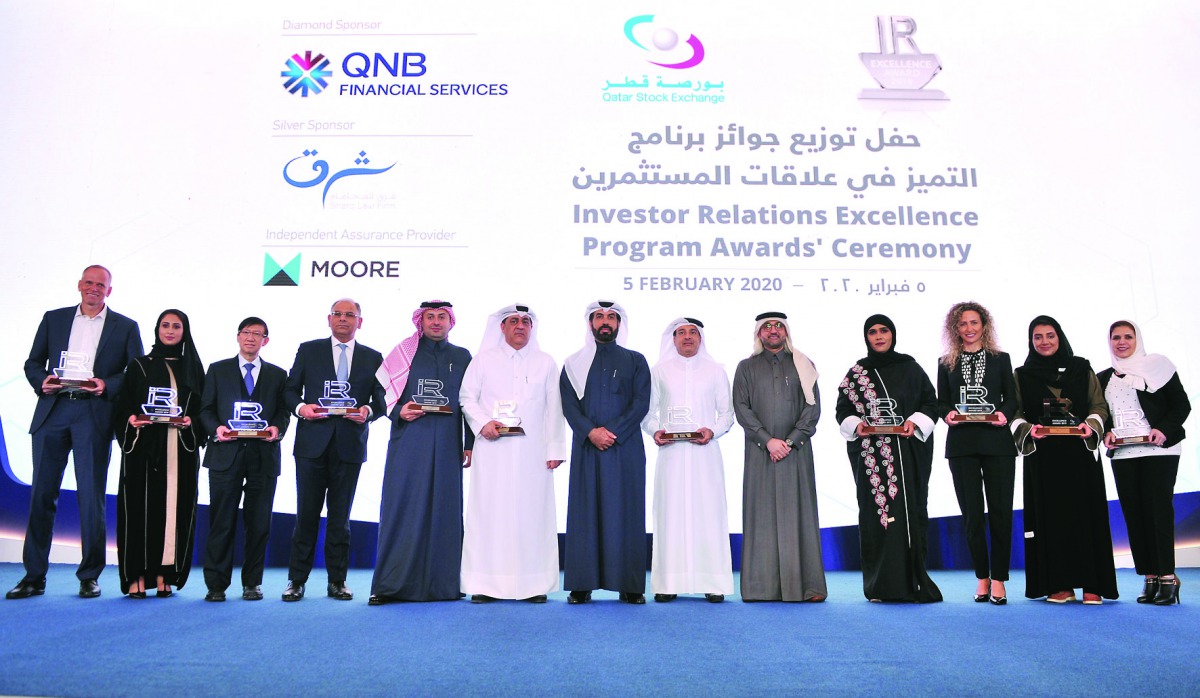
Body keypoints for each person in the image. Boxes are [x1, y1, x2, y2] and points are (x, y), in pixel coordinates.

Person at [8, 265, 143, 600]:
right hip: (54, 410)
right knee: (41, 495)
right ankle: (34, 576)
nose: (94, 289)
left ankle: (89, 575)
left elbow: (136, 371)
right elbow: (32, 363)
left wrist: (106, 384)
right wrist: (43, 381)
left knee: (91, 497)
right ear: (79, 285)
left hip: (93, 414)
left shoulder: (125, 326)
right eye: (89, 283)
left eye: (101, 285)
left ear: (109, 290)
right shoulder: (53, 318)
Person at [459, 304, 566, 603]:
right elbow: (467, 398)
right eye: (513, 321)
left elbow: (554, 408)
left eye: (525, 322)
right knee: (489, 514)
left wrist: (555, 448)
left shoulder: (545, 362)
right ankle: (485, 584)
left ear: (532, 328)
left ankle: (533, 585)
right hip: (493, 450)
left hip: (533, 454)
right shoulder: (483, 360)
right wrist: (483, 424)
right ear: (502, 328)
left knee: (533, 515)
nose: (520, 326)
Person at [281, 299, 386, 602]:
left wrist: (367, 410)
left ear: (360, 322)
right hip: (312, 443)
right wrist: (302, 408)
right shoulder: (309, 349)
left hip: (349, 445)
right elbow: (289, 391)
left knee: (340, 519)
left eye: (349, 315)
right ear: (329, 319)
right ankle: (296, 580)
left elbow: (382, 399)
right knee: (306, 515)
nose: (343, 319)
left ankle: (337, 581)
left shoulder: (372, 357)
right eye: (338, 314)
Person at [370, 300, 473, 604]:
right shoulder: (404, 352)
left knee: (446, 511)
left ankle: (444, 587)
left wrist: (469, 443)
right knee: (403, 507)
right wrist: (399, 410)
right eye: (430, 317)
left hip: (447, 444)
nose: (436, 322)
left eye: (442, 317)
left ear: (451, 322)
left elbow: (470, 403)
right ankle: (390, 586)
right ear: (420, 321)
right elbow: (379, 391)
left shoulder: (462, 356)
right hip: (410, 441)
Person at [835, 314, 942, 603]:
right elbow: (843, 410)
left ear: (893, 334)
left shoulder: (910, 368)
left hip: (907, 454)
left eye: (884, 330)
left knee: (910, 514)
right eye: (872, 332)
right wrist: (857, 424)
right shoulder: (857, 373)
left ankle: (914, 583)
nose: (879, 336)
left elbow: (930, 403)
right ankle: (880, 585)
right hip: (873, 458)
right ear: (866, 337)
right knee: (878, 517)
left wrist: (915, 422)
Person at [1013, 315, 1117, 604]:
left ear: (1060, 337)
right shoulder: (1022, 374)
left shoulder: (1081, 368)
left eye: (1050, 335)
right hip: (1044, 459)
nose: (1044, 341)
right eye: (1038, 337)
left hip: (1079, 457)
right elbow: (1016, 412)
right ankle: (1060, 585)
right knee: (1051, 521)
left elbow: (1099, 406)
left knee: (1087, 517)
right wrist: (1028, 430)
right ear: (1031, 341)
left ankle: (1093, 585)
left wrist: (1091, 426)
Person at [559, 300, 651, 604]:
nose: (605, 321)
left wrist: (611, 432)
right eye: (599, 316)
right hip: (588, 449)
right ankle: (582, 584)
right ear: (590, 323)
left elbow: (641, 403)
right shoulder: (573, 363)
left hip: (625, 449)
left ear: (619, 324)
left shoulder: (636, 360)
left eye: (611, 317)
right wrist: (590, 432)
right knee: (585, 514)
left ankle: (630, 584)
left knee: (626, 513)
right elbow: (569, 405)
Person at [732, 311, 826, 602]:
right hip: (761, 453)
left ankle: (806, 587)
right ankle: (761, 589)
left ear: (786, 331)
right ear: (759, 333)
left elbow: (813, 409)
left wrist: (789, 441)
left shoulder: (804, 364)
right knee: (760, 517)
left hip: (795, 453)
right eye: (767, 326)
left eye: (778, 326)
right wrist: (767, 441)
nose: (773, 331)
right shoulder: (746, 367)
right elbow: (742, 408)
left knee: (799, 516)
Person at [641, 317, 734, 603]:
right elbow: (648, 412)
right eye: (681, 333)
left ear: (701, 338)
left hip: (705, 455)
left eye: (693, 332)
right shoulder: (659, 371)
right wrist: (656, 431)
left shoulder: (716, 371)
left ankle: (712, 582)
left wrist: (712, 431)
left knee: (708, 514)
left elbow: (726, 415)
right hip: (671, 455)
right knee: (670, 514)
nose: (687, 337)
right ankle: (668, 583)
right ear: (673, 339)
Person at [198, 316, 291, 602]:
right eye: (246, 332)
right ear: (238, 337)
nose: (251, 338)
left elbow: (283, 413)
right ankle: (216, 584)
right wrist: (217, 429)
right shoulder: (218, 370)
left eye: (258, 334)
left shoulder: (278, 375)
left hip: (263, 457)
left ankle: (252, 582)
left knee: (259, 523)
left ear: (266, 340)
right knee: (221, 521)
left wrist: (278, 428)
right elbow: (206, 409)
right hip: (225, 455)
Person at [113, 309, 205, 598]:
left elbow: (205, 410)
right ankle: (136, 576)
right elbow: (123, 406)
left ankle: (166, 573)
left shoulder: (193, 368)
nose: (170, 331)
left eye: (176, 326)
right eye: (165, 325)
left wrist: (193, 423)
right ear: (156, 329)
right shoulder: (139, 366)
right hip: (143, 449)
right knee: (139, 509)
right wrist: (131, 420)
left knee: (175, 511)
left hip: (180, 449)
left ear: (184, 331)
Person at [1098, 321, 1190, 605]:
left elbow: (1181, 405)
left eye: (1128, 336)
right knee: (1134, 514)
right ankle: (1149, 576)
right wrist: (1107, 432)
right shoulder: (1102, 377)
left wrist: (1163, 429)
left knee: (1157, 511)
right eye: (1116, 337)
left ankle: (1167, 577)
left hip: (1159, 451)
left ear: (1138, 338)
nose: (1122, 342)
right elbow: (1102, 414)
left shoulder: (1158, 367)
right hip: (1125, 454)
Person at [936, 301, 1018, 605]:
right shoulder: (946, 362)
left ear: (984, 325)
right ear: (954, 329)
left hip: (997, 443)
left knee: (1000, 513)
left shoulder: (1000, 359)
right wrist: (947, 415)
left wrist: (1003, 415)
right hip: (962, 445)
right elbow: (941, 402)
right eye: (962, 324)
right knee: (972, 516)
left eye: (974, 323)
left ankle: (999, 579)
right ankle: (981, 578)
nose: (969, 329)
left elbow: (1011, 399)